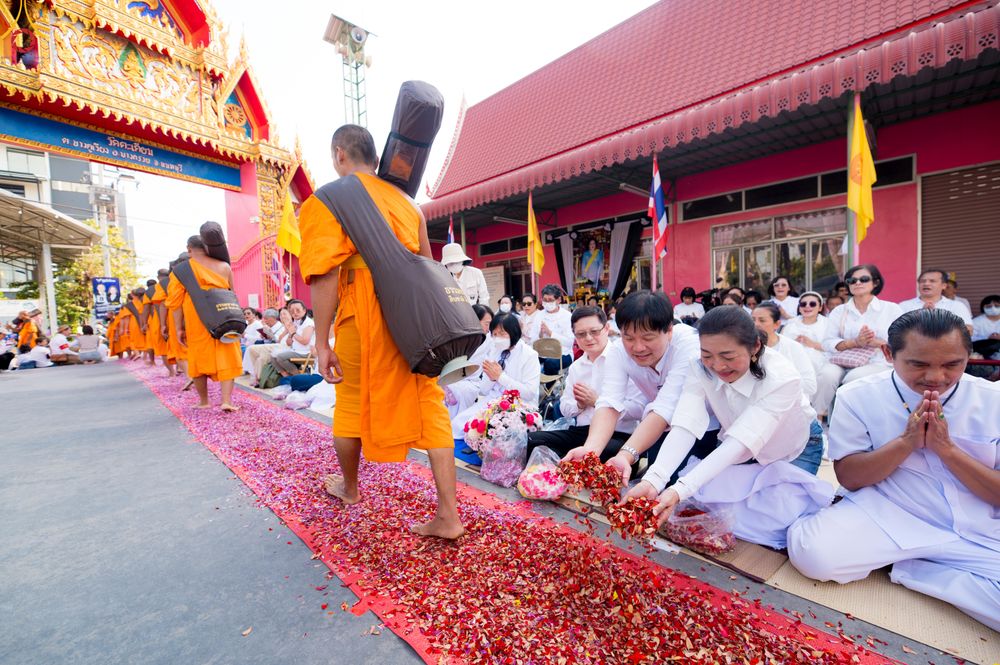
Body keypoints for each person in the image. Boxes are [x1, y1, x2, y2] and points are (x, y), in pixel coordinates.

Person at [298, 123, 463, 539]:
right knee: (429, 401)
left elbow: (324, 277)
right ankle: (448, 514)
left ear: (339, 155)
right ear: (376, 158)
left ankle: (350, 488)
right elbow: (428, 268)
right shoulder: (408, 203)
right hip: (411, 317)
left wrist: (321, 342)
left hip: (362, 316)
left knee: (350, 400)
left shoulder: (328, 201)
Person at [787, 309, 1000, 630]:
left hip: (977, 525)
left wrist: (947, 450)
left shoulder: (992, 400)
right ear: (889, 354)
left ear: (968, 356)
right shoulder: (858, 396)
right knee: (813, 555)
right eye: (919, 364)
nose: (937, 377)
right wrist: (906, 442)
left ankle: (911, 568)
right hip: (891, 512)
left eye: (952, 364)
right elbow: (850, 478)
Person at [623, 306, 833, 548]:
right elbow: (686, 424)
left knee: (771, 530)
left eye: (728, 356)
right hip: (740, 449)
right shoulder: (700, 366)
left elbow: (741, 442)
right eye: (707, 354)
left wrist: (679, 490)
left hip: (792, 450)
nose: (717, 365)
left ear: (755, 346)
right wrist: (653, 480)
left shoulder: (782, 378)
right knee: (714, 512)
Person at [564, 291, 702, 481]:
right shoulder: (619, 350)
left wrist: (625, 455)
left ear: (669, 330)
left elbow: (666, 406)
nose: (638, 348)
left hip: (702, 428)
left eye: (647, 338)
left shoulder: (689, 346)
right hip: (655, 429)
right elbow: (609, 402)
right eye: (629, 338)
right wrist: (590, 451)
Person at [527, 306, 642, 461]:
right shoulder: (577, 367)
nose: (588, 338)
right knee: (531, 440)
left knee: (602, 455)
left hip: (618, 434)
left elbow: (639, 409)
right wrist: (580, 405)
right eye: (581, 334)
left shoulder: (626, 360)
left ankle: (563, 465)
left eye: (594, 331)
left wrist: (597, 402)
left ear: (606, 328)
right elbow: (564, 408)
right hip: (581, 432)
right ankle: (561, 466)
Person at [166, 235, 243, 411]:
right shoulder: (224, 266)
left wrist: (178, 328)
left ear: (188, 248)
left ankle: (204, 401)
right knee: (226, 353)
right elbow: (232, 293)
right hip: (223, 314)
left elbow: (175, 304)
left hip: (197, 318)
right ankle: (226, 400)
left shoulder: (181, 271)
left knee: (198, 357)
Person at [752, 303, 822, 474]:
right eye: (752, 319)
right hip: (758, 423)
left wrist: (777, 386)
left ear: (777, 325)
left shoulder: (792, 348)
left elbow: (810, 385)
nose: (755, 324)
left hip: (793, 419)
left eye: (762, 320)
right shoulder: (745, 349)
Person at [447, 312, 541, 439]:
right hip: (493, 400)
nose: (497, 338)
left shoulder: (529, 355)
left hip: (519, 404)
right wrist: (491, 378)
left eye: (502, 334)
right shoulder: (495, 352)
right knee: (458, 424)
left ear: (514, 333)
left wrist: (500, 377)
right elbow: (484, 391)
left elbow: (529, 393)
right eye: (494, 334)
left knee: (492, 431)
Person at [823, 264, 903, 383]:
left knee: (853, 379)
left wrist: (876, 342)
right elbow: (827, 342)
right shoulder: (839, 311)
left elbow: (903, 342)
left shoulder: (892, 309)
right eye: (852, 280)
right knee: (825, 376)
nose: (857, 283)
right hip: (842, 359)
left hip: (878, 361)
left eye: (864, 279)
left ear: (875, 283)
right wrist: (854, 342)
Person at [782, 291, 841, 420]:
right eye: (803, 304)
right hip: (795, 358)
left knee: (820, 370)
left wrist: (811, 344)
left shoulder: (827, 323)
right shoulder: (791, 323)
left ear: (820, 307)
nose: (807, 307)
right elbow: (783, 346)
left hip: (821, 356)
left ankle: (817, 413)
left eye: (812, 304)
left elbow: (834, 347)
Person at [899, 269, 973, 333]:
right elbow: (896, 331)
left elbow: (968, 331)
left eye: (932, 281)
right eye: (922, 281)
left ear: (944, 286)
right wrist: (920, 317)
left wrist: (937, 319)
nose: (926, 283)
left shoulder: (956, 306)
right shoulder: (904, 306)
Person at [529, 284, 574, 374]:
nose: (547, 303)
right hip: (542, 353)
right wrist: (540, 335)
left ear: (558, 300)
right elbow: (532, 340)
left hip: (563, 354)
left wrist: (550, 333)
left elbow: (569, 342)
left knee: (550, 363)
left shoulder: (567, 316)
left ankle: (550, 387)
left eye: (550, 300)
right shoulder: (539, 315)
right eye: (545, 300)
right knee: (528, 360)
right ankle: (532, 386)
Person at [269, 299, 315, 377]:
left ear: (304, 310)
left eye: (298, 310)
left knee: (280, 357)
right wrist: (290, 331)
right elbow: (288, 343)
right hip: (295, 350)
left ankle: (298, 376)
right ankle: (286, 376)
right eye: (292, 311)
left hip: (306, 352)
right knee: (273, 356)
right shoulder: (295, 322)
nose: (295, 313)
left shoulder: (308, 322)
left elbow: (305, 341)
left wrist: (293, 333)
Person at [149, 268, 176, 376]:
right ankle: (181, 369)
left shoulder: (159, 287)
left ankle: (172, 372)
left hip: (164, 317)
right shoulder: (177, 280)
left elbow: (158, 305)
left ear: (158, 277)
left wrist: (162, 323)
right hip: (182, 314)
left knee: (164, 347)